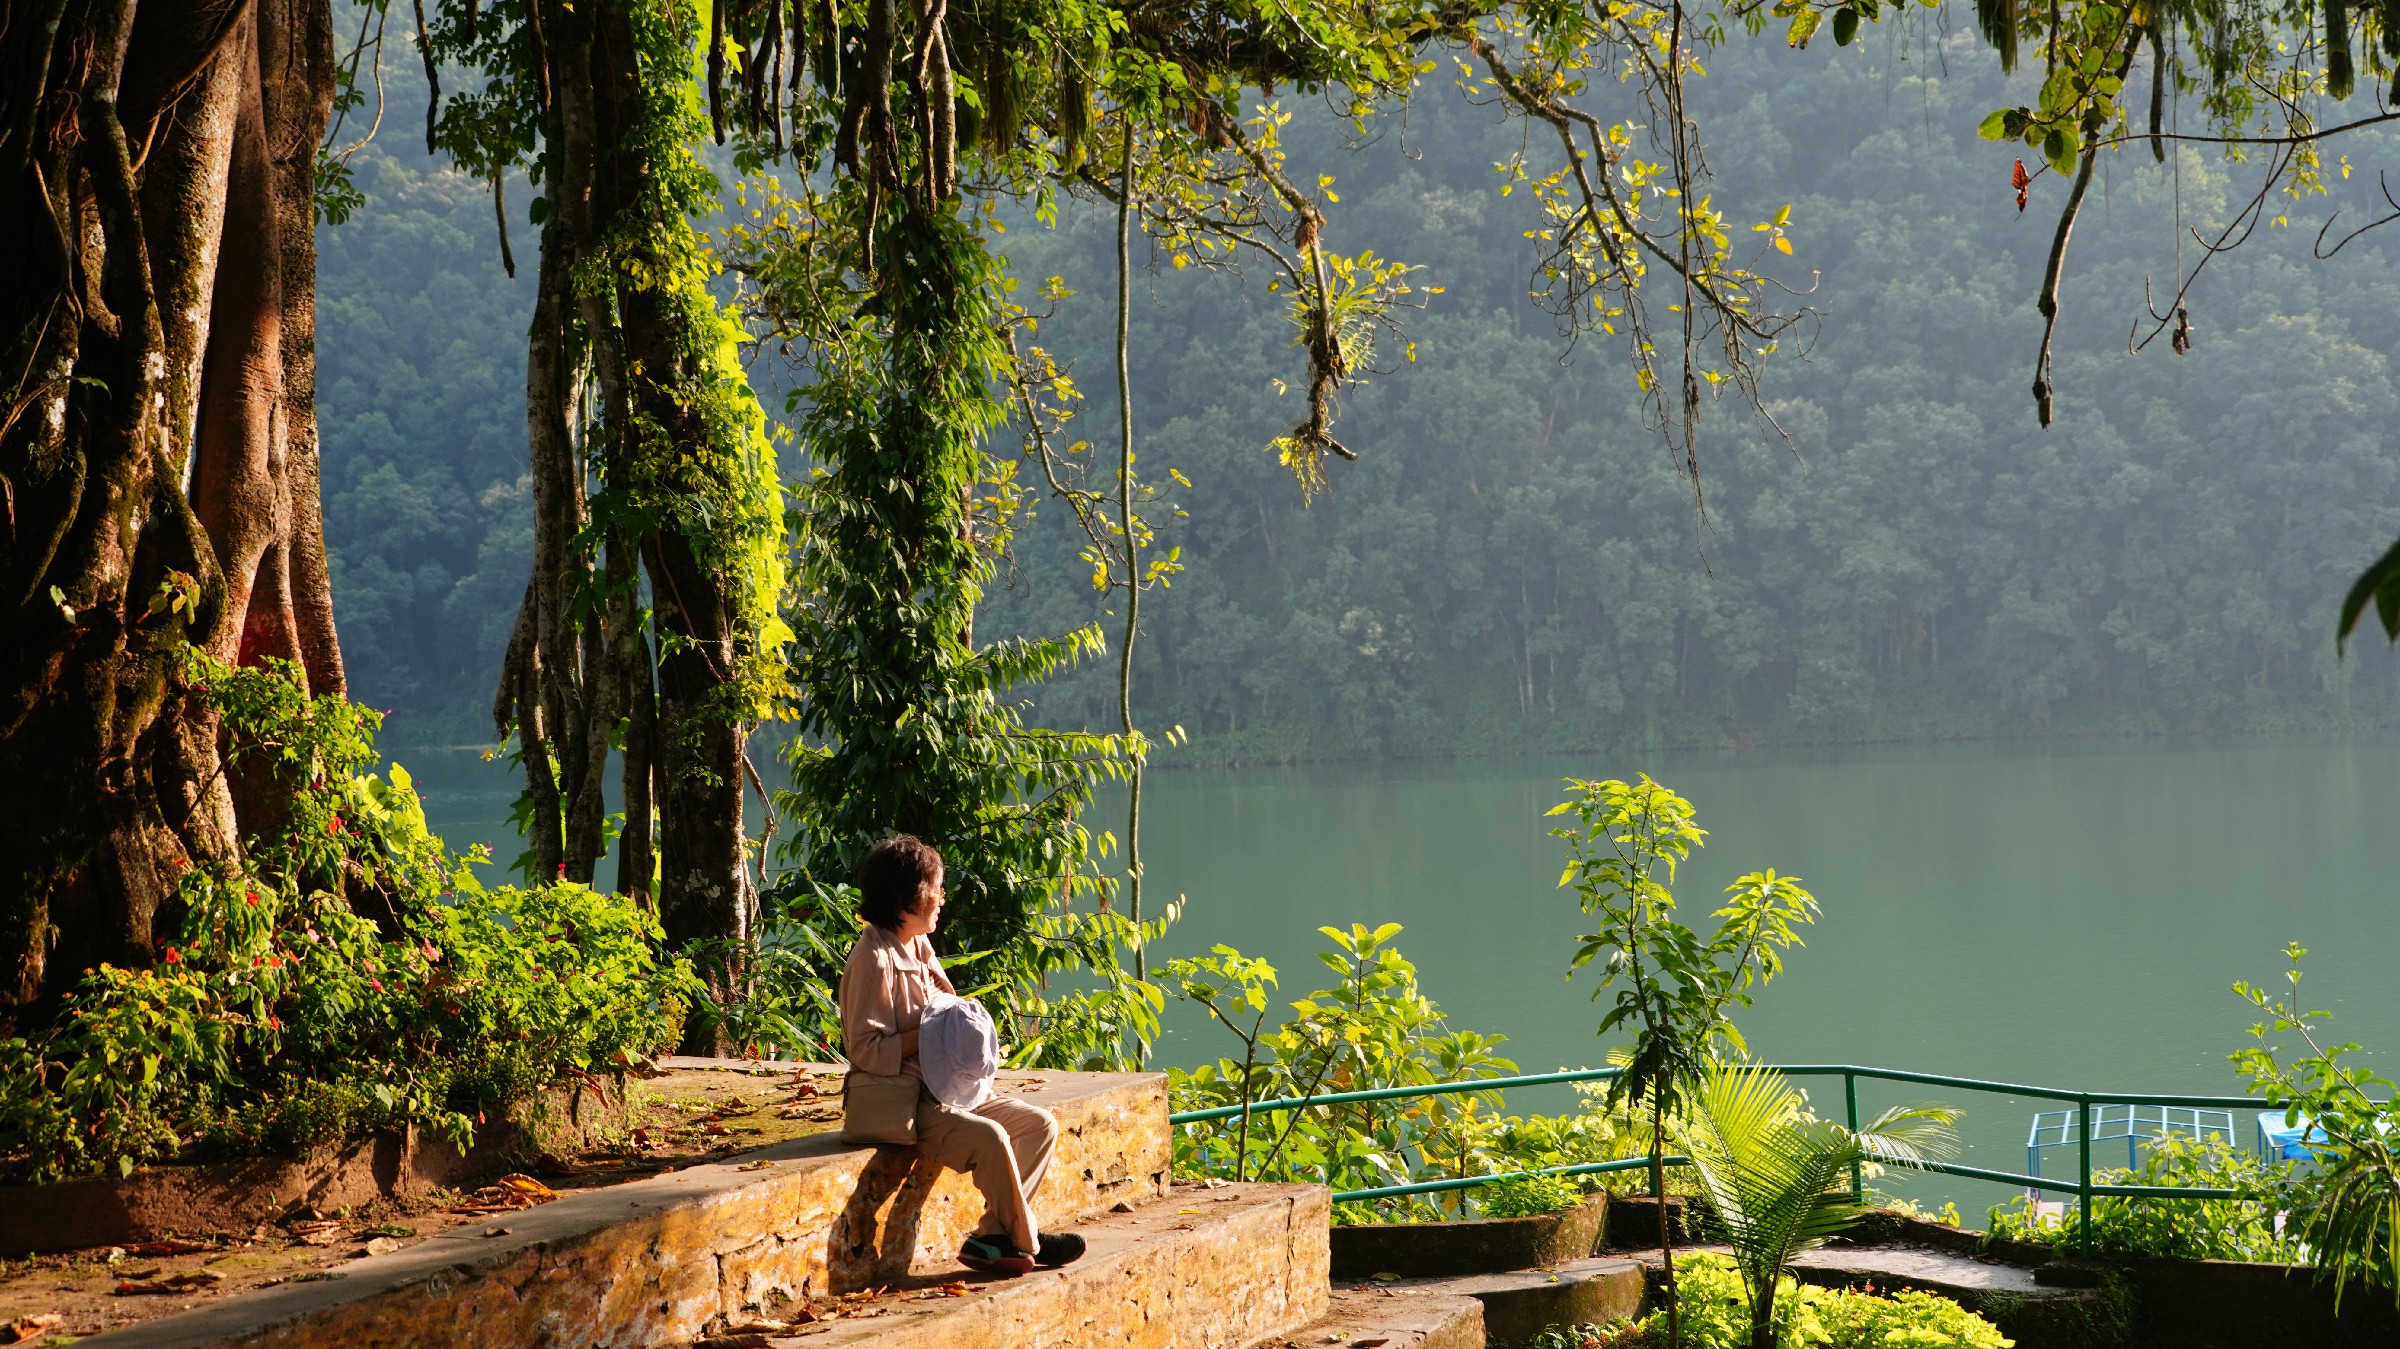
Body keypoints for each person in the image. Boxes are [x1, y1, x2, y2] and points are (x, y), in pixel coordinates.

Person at [838, 834, 1088, 1276]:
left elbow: (943, 1010)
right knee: (990, 1136)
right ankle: (1026, 1241)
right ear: (906, 900)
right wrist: (928, 1035)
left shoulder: (918, 945)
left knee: (1038, 1125)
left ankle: (994, 1235)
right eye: (934, 888)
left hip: (945, 1088)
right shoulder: (872, 958)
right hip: (908, 1101)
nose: (941, 898)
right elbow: (863, 1050)